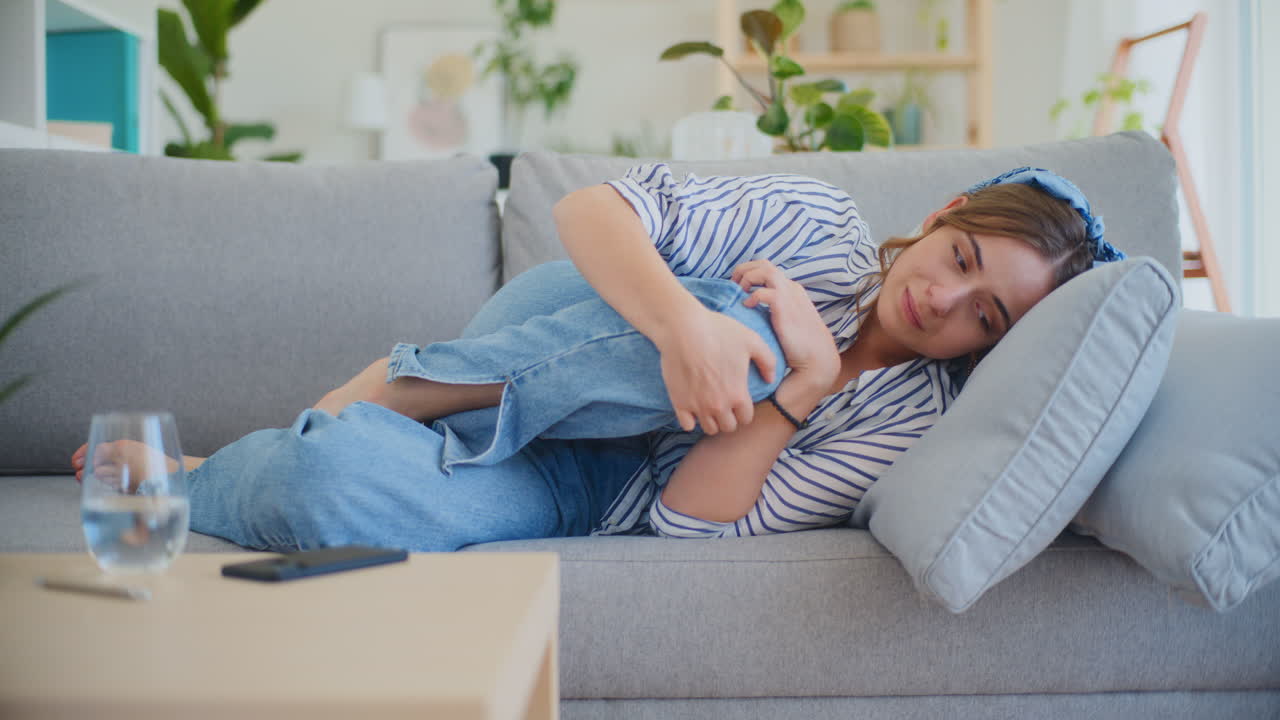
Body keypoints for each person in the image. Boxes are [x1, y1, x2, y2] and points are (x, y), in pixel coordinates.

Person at [72, 165, 1124, 551]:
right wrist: (687, 328)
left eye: (983, 318)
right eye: (958, 256)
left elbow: (682, 521)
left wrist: (802, 391)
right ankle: (421, 385)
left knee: (324, 482)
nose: (939, 300)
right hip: (564, 330)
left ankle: (203, 478)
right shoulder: (821, 228)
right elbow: (594, 208)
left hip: (584, 487)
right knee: (746, 332)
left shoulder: (908, 423)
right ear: (943, 213)